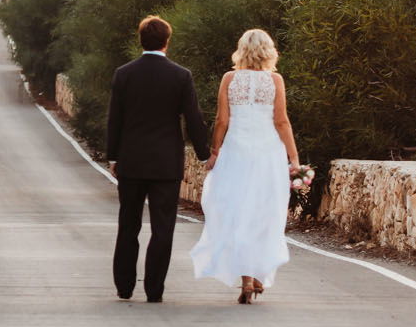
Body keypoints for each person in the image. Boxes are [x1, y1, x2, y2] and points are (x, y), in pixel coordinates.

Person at [105, 15, 211, 303]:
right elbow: (193, 119)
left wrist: (113, 156)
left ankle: (124, 287)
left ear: (141, 40)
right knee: (163, 228)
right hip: (165, 164)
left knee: (128, 225)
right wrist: (205, 155)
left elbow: (115, 120)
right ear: (167, 42)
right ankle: (154, 289)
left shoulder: (124, 74)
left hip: (131, 160)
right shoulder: (180, 76)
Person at [192, 28, 298, 304]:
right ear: (268, 51)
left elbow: (222, 120)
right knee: (265, 213)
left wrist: (215, 151)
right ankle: (259, 273)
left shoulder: (230, 78)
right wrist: (294, 158)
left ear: (242, 50)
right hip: (267, 154)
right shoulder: (275, 80)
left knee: (237, 212)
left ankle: (247, 281)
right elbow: (281, 121)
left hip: (236, 153)